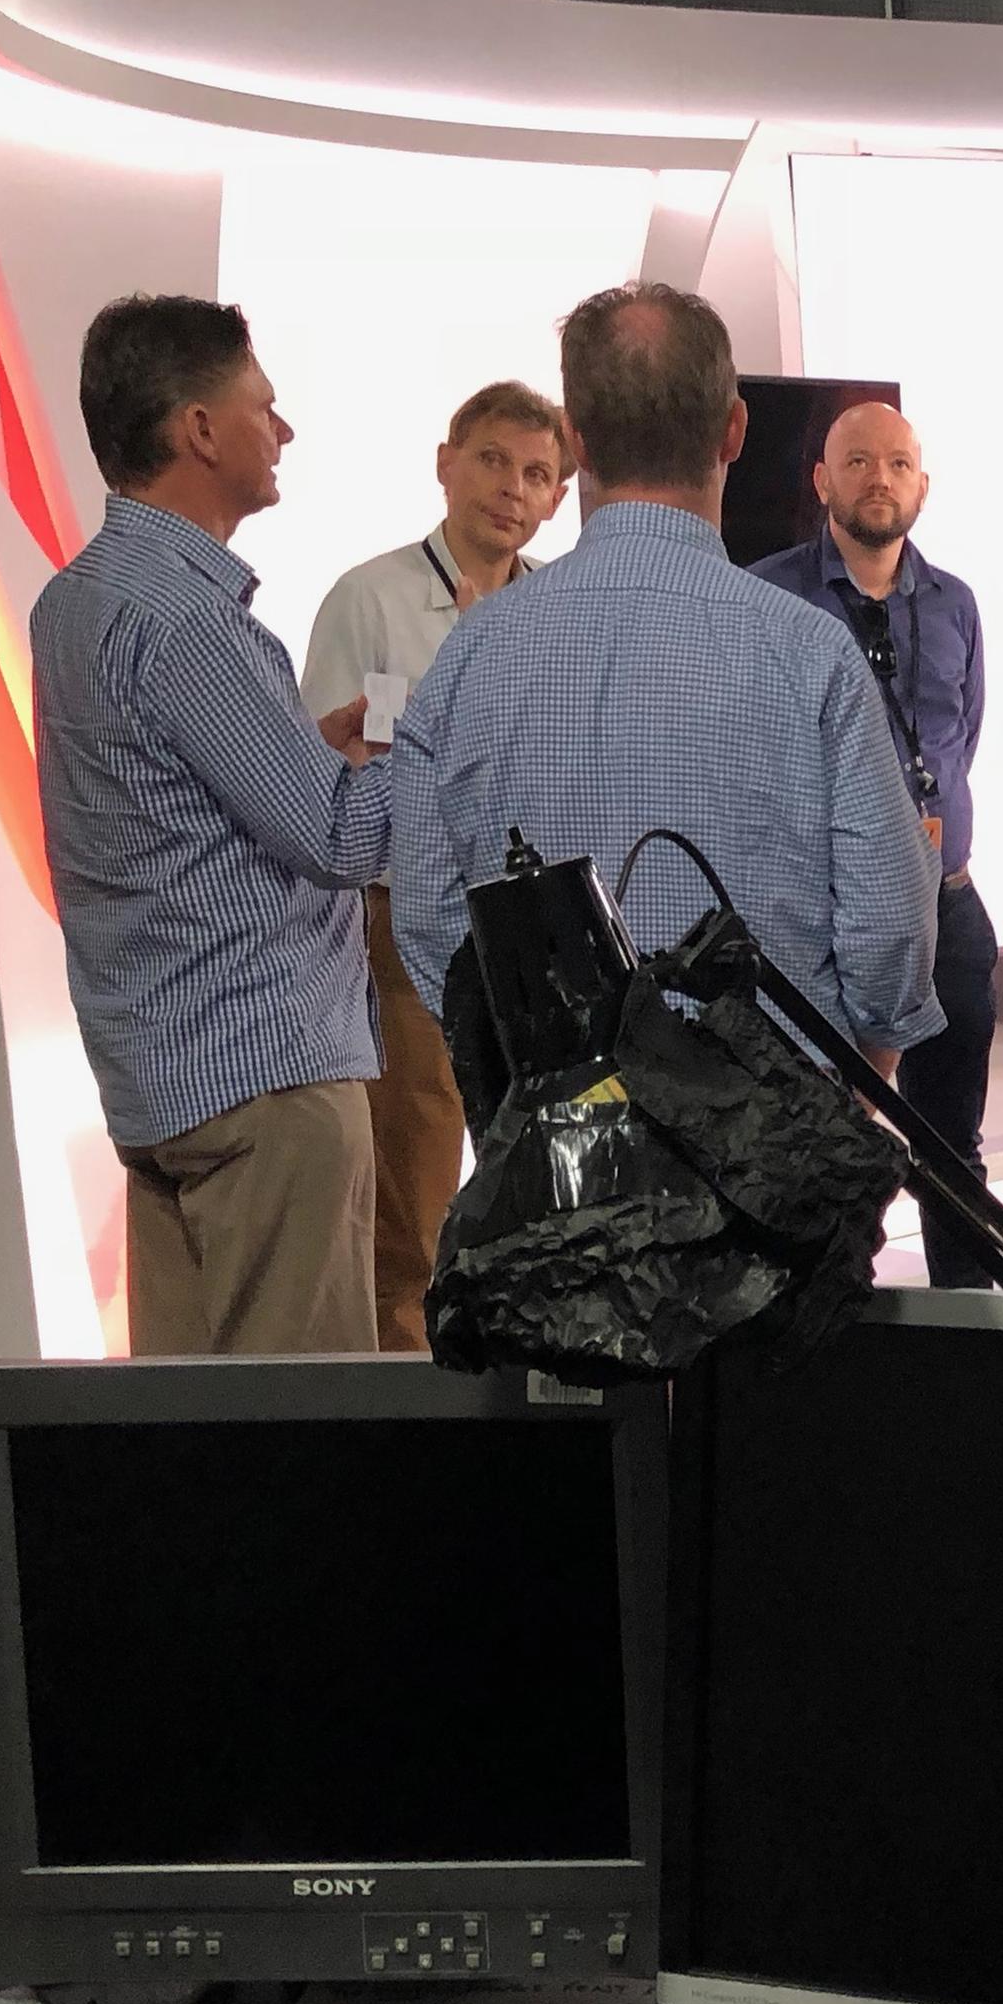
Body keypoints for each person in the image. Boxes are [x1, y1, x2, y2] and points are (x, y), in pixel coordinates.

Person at [390, 283, 936, 1085]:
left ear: (575, 440)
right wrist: (861, 1071)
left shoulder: (469, 655)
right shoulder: (813, 653)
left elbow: (428, 914)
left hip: (564, 1129)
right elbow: (888, 918)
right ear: (734, 429)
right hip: (780, 1123)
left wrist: (526, 1070)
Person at [33, 294, 389, 1356]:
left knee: (195, 1431)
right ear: (198, 429)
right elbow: (340, 840)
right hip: (267, 1082)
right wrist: (440, 747)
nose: (283, 430)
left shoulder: (75, 601)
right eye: (262, 407)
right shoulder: (192, 620)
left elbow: (157, 802)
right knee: (304, 1427)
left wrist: (298, 749)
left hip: (163, 1087)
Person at [299, 380, 567, 1349]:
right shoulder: (369, 597)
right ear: (446, 463)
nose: (511, 488)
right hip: (410, 924)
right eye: (493, 459)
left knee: (550, 1173)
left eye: (536, 473)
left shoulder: (560, 606)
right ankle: (411, 1383)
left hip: (542, 922)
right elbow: (327, 774)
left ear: (557, 497)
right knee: (414, 1194)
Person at [747, 401, 1002, 1284]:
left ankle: (970, 1331)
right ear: (823, 480)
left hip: (948, 908)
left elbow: (963, 737)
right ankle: (825, 1322)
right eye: (857, 461)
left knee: (953, 1146)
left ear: (922, 484)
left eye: (897, 463)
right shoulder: (770, 595)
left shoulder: (955, 604)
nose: (879, 479)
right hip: (823, 917)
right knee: (820, 1139)